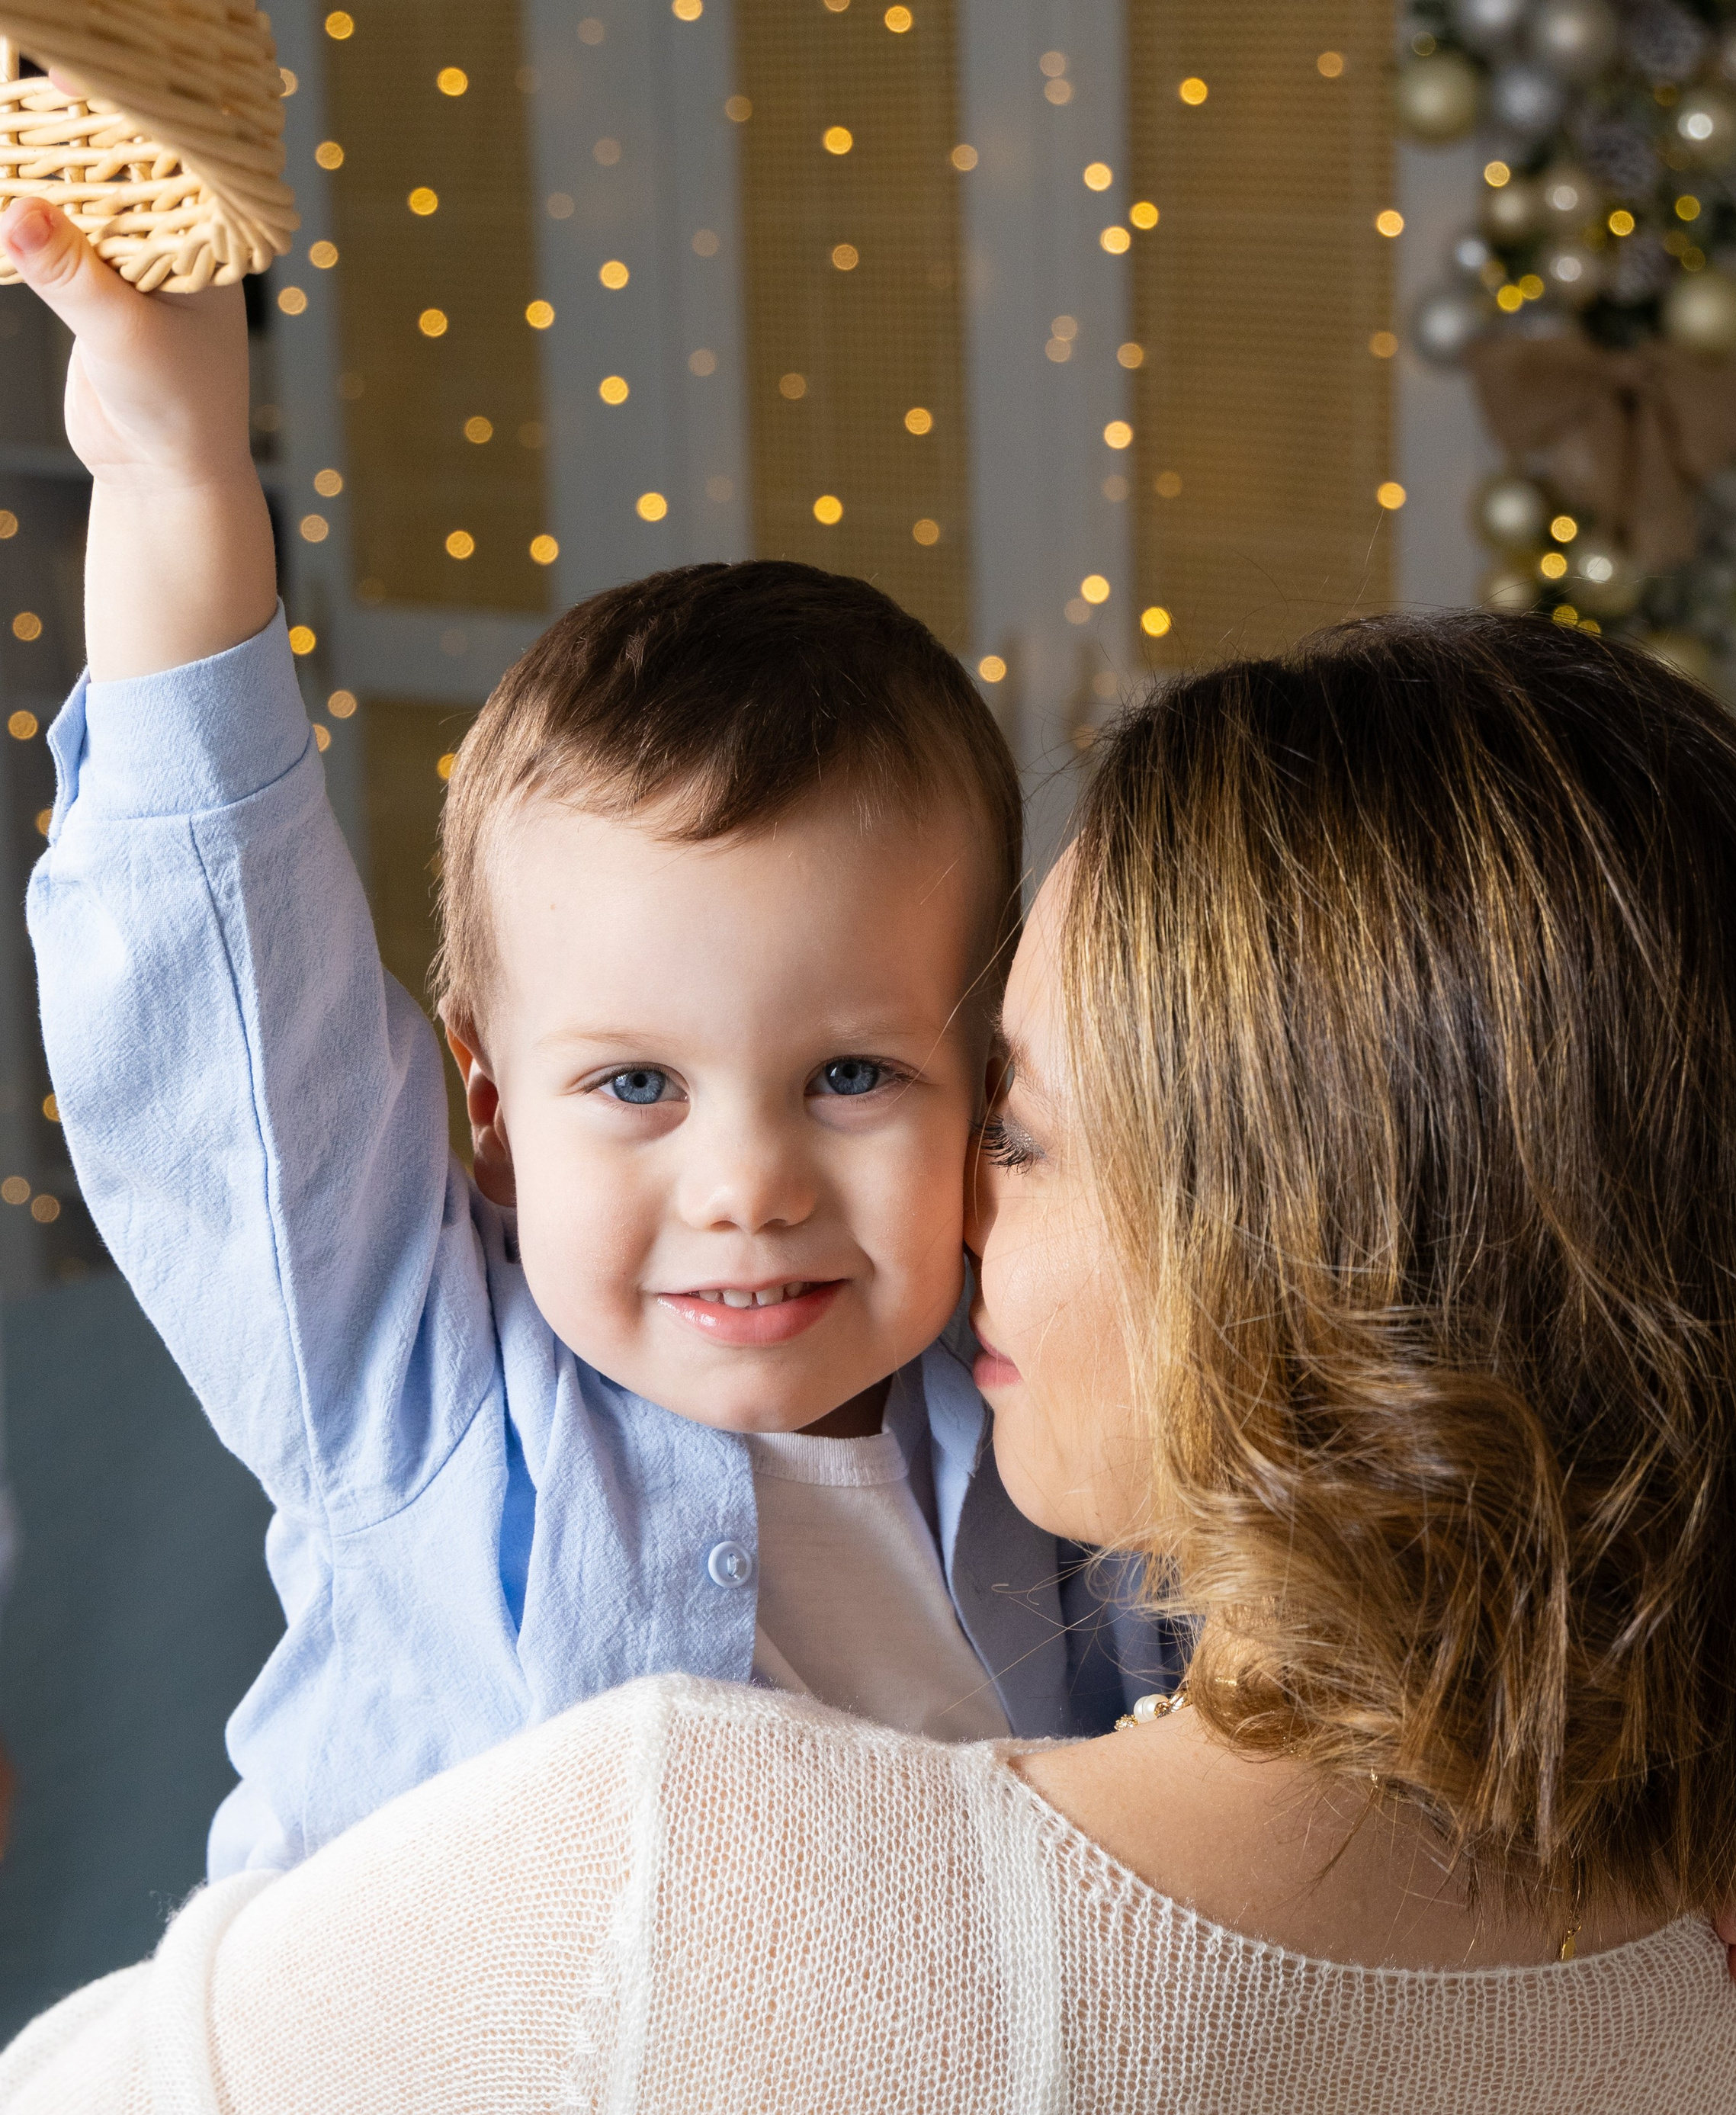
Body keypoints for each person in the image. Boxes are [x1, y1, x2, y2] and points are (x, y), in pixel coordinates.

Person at [1, 608, 1736, 2115]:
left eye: (985, 1114)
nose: (892, 1196)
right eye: (639, 1082)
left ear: (1287, 1259)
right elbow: (226, 1046)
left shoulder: (671, 1887)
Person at [9, 193, 1166, 1900]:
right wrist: (178, 476)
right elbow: (222, 991)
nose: (748, 1187)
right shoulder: (413, 1373)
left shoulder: (1063, 1441)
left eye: (851, 1076)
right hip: (400, 2072)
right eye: (636, 1085)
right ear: (490, 1108)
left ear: (988, 1095)